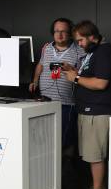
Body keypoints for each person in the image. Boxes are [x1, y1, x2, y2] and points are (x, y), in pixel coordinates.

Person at [62, 21, 111, 189]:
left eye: (80, 40)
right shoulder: (94, 52)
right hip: (87, 110)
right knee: (91, 154)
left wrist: (76, 78)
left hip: (98, 111)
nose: (78, 44)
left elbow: (100, 83)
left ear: (92, 36)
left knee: (95, 155)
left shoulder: (104, 51)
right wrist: (74, 71)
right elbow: (90, 76)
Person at [29, 18, 86, 153]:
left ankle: (65, 170)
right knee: (45, 140)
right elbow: (40, 65)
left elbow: (85, 74)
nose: (59, 35)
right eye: (56, 31)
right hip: (45, 102)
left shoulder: (79, 50)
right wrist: (35, 80)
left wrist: (71, 68)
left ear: (70, 33)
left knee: (65, 141)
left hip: (66, 104)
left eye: (63, 31)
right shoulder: (47, 48)